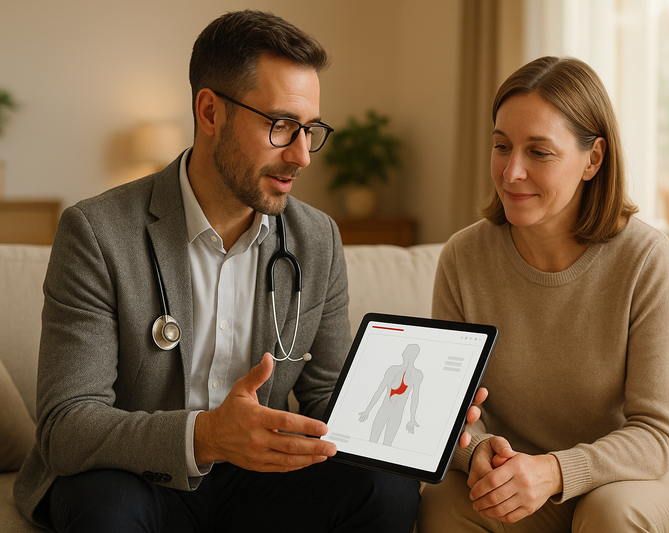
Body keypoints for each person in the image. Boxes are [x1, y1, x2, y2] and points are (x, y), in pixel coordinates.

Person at [12, 10, 467, 532]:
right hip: (137, 476)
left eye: (310, 129)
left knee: (382, 489)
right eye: (281, 126)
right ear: (210, 112)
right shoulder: (97, 232)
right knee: (105, 510)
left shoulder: (316, 239)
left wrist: (429, 426)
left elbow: (327, 400)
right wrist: (205, 435)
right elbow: (67, 426)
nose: (302, 156)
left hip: (257, 480)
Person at [417, 56, 669, 532]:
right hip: (519, 472)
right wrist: (477, 453)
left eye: (539, 152)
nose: (512, 172)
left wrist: (553, 471)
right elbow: (451, 413)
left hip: (638, 475)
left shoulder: (648, 259)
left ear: (592, 159)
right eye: (501, 146)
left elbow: (656, 436)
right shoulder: (463, 258)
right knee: (443, 504)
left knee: (608, 514)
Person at [358, 343, 424, 445]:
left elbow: (414, 398)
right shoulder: (394, 370)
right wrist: (367, 410)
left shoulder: (416, 374)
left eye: (405, 351)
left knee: (386, 443)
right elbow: (379, 391)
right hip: (385, 411)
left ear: (405, 353)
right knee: (373, 441)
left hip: (395, 414)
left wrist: (412, 418)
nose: (403, 353)